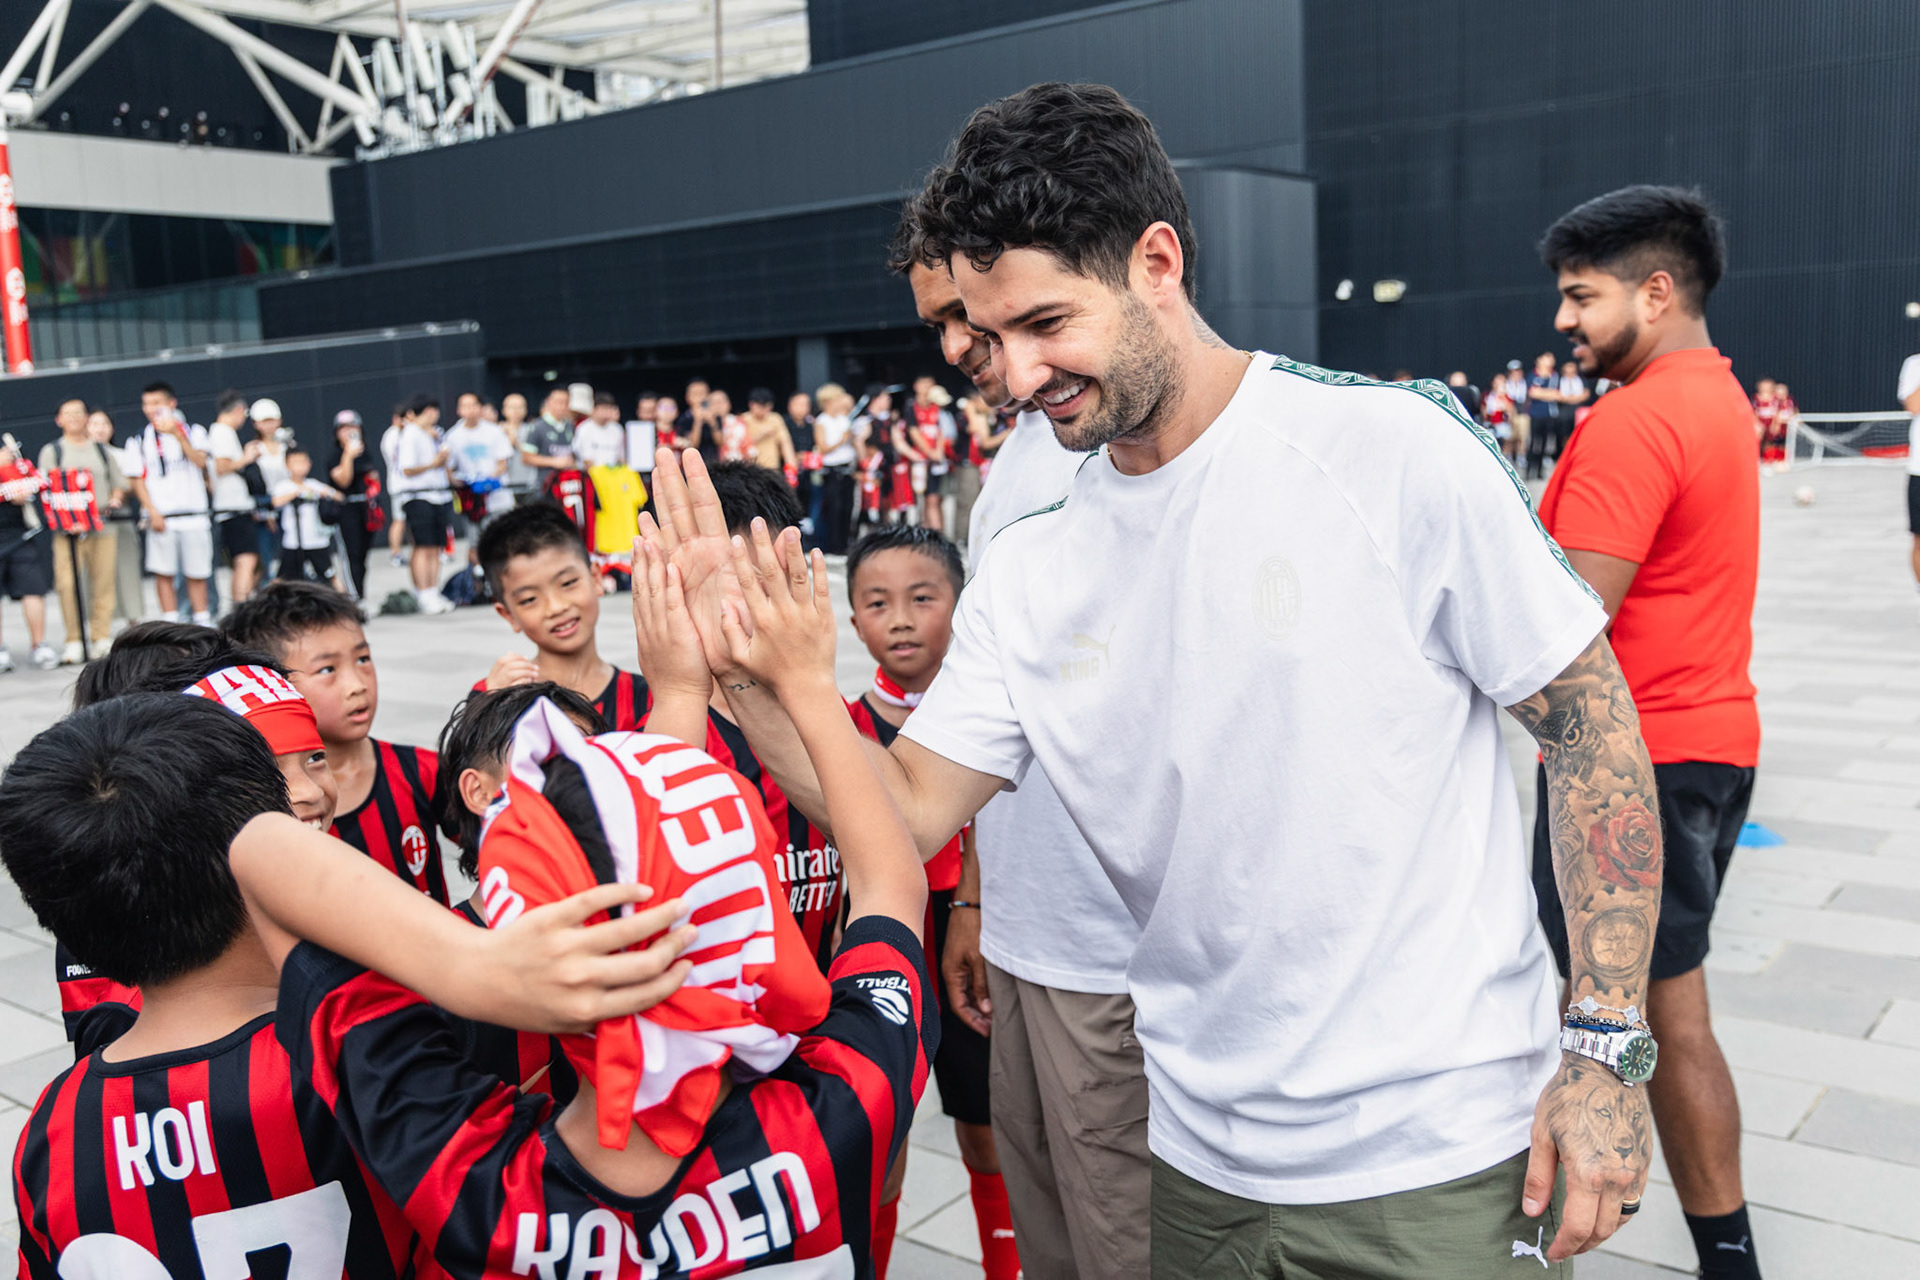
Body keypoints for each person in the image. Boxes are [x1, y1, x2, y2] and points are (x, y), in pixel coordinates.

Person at [655, 82, 1666, 1277]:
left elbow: (1591, 729)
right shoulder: (1029, 543)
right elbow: (906, 804)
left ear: (1156, 260)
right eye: (986, 337)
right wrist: (760, 679)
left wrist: (1606, 1049)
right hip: (1196, 1162)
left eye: (1045, 323)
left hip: (1430, 1154)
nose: (1017, 372)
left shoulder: (1387, 451)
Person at [231, 527, 935, 1276]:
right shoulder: (847, 1110)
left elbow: (261, 850)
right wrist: (802, 683)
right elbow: (891, 881)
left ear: (536, 957)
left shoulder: (482, 1193)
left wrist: (472, 968)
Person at [887, 214, 1141, 1276]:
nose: (954, 344)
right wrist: (983, 898)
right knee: (1053, 1241)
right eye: (939, 324)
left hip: (1108, 953)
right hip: (1030, 935)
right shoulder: (1026, 457)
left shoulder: (1118, 456)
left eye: (964, 313)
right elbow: (1001, 721)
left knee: (1124, 1236)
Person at [1535, 186, 1764, 1280]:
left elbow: (1564, 627)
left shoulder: (1635, 416)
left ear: (1657, 290)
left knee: (1634, 1024)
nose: (1565, 321)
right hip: (1716, 743)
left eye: (1583, 296)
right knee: (1677, 1014)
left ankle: (1556, 1234)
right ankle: (1727, 1255)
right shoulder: (1715, 396)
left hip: (1636, 768)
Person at [843, 525, 1020, 1280]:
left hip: (972, 936)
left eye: (924, 598)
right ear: (853, 623)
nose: (903, 620)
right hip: (883, 944)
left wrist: (971, 911)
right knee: (880, 1140)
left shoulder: (995, 714)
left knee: (987, 1131)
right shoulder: (840, 731)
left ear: (963, 602)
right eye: (878, 604)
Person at [222, 579, 450, 904]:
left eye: (363, 659)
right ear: (269, 686)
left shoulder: (421, 770)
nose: (356, 684)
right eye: (327, 669)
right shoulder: (263, 806)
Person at [475, 502, 650, 727]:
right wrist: (495, 713)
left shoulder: (646, 697)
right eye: (529, 599)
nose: (556, 607)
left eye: (568, 583)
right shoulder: (493, 694)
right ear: (508, 614)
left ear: (596, 578)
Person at [37, 397, 127, 663]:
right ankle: (74, 639)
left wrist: (115, 498)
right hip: (68, 530)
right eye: (68, 413)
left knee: (103, 581)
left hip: (102, 525)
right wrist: (68, 517)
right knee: (67, 583)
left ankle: (101, 636)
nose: (75, 417)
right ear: (59, 419)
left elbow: (117, 482)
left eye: (79, 413)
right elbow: (47, 488)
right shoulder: (53, 451)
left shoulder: (100, 450)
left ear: (87, 417)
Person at [124, 380, 213, 624]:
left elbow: (201, 461)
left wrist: (177, 434)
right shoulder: (139, 439)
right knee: (163, 571)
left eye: (157, 403)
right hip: (162, 515)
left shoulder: (194, 431)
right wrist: (152, 511)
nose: (151, 409)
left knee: (198, 570)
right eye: (147, 404)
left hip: (193, 513)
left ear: (171, 404)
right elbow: (137, 480)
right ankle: (170, 620)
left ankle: (202, 618)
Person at [392, 392, 456, 614]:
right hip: (418, 496)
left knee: (437, 546)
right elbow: (407, 469)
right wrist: (433, 463)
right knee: (423, 546)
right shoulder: (410, 434)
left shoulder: (435, 434)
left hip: (438, 494)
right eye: (429, 410)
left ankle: (433, 591)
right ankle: (423, 593)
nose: (434, 415)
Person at [0, 434, 56, 671]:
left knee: (33, 588)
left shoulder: (8, 444)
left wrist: (14, 477)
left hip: (20, 533)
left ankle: (39, 645)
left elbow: (33, 483)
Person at [205, 389, 263, 603]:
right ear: (238, 410)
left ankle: (240, 606)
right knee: (246, 561)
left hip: (237, 507)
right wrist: (247, 457)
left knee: (249, 563)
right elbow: (222, 467)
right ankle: (241, 608)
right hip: (232, 509)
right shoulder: (221, 432)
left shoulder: (220, 432)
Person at [270, 445, 343, 586]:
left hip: (317, 541)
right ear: (287, 465)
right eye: (295, 462)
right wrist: (297, 493)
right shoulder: (284, 486)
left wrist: (325, 493)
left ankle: (346, 604)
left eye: (303, 462)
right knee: (282, 579)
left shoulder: (314, 484)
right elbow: (275, 502)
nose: (299, 467)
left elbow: (339, 496)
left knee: (330, 576)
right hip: (293, 542)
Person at [444, 390, 516, 529]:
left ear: (481, 408)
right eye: (465, 406)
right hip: (472, 500)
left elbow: (503, 463)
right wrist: (460, 482)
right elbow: (449, 468)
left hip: (499, 497)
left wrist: (487, 480)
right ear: (458, 410)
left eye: (473, 405)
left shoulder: (494, 431)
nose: (469, 410)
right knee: (475, 543)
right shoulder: (453, 436)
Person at [327, 409, 378, 598]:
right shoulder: (336, 456)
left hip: (366, 506)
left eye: (353, 427)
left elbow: (372, 476)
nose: (349, 431)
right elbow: (343, 481)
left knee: (363, 555)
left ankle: (360, 593)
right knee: (352, 555)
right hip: (347, 509)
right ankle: (353, 595)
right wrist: (348, 455)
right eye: (344, 428)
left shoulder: (365, 453)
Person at [904, 377, 956, 533]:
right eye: (924, 383)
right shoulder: (911, 407)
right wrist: (930, 452)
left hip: (937, 462)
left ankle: (937, 535)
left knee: (935, 499)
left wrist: (938, 452)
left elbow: (942, 433)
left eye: (930, 384)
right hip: (920, 462)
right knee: (925, 500)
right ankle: (930, 535)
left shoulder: (936, 408)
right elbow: (914, 433)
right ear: (916, 385)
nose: (927, 387)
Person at [814, 382, 858, 554]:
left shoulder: (844, 419)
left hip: (848, 467)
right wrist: (842, 440)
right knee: (835, 508)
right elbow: (823, 447)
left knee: (848, 506)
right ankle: (834, 546)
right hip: (832, 470)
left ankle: (846, 543)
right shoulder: (821, 421)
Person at [522, 386, 578, 491]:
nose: (562, 406)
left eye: (566, 402)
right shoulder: (537, 427)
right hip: (546, 485)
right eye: (558, 402)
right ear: (548, 402)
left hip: (568, 483)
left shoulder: (570, 426)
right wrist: (554, 461)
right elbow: (526, 457)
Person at [380, 402, 409, 568]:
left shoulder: (408, 433)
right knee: (399, 520)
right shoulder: (391, 436)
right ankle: (396, 553)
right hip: (399, 486)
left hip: (411, 487)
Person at [1525, 351, 1563, 478]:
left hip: (1549, 414)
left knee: (1545, 443)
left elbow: (1557, 394)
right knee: (1533, 442)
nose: (1551, 361)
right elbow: (1532, 393)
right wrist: (1547, 393)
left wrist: (1541, 393)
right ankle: (1529, 469)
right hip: (1535, 414)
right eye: (1547, 358)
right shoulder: (1533, 375)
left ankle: (1540, 470)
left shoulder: (1554, 376)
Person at [744, 387, 798, 475]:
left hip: (772, 468)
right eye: (759, 406)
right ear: (751, 404)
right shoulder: (743, 420)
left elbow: (785, 443)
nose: (762, 410)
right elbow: (740, 445)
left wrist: (791, 467)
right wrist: (760, 435)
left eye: (766, 407)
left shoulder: (775, 419)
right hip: (750, 470)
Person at [572, 390, 629, 469]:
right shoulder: (584, 429)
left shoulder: (617, 429)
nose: (606, 412)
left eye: (609, 408)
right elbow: (586, 460)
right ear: (594, 409)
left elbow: (621, 458)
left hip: (614, 474)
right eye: (603, 408)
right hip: (590, 474)